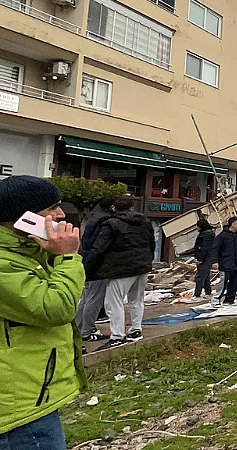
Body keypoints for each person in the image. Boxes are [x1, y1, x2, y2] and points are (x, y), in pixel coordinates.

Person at [0, 175, 86, 450]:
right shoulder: (5, 263)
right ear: (23, 219)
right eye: (51, 208)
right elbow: (56, 307)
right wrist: (68, 257)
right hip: (19, 411)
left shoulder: (24, 254)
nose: (61, 215)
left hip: (31, 396)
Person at [85, 199, 155, 351]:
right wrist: (148, 260)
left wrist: (87, 265)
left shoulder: (111, 224)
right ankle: (135, 330)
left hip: (121, 268)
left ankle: (117, 336)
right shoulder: (145, 222)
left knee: (113, 302)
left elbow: (99, 248)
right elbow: (152, 243)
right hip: (143, 266)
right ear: (132, 207)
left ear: (114, 208)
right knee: (137, 299)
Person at [75, 196, 116, 342]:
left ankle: (78, 328)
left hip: (87, 262)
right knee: (94, 300)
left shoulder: (94, 219)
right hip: (98, 265)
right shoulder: (107, 222)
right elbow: (100, 246)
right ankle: (87, 331)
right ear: (112, 207)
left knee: (86, 299)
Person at [210, 217, 237, 306]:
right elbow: (215, 249)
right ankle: (216, 299)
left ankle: (229, 299)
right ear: (233, 224)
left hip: (236, 262)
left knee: (234, 283)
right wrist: (214, 261)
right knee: (223, 282)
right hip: (225, 263)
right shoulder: (222, 236)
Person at [192, 218, 216, 299]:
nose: (196, 228)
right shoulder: (207, 234)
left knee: (200, 276)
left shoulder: (206, 235)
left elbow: (205, 248)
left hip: (205, 258)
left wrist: (200, 259)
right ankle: (208, 291)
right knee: (205, 275)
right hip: (206, 257)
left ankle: (197, 294)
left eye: (197, 226)